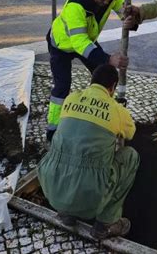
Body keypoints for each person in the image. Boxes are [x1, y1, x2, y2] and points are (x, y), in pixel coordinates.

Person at [38, 64, 139, 239]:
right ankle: (106, 224)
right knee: (130, 156)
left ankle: (67, 213)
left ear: (91, 81)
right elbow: (130, 133)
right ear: (113, 87)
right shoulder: (116, 109)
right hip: (90, 198)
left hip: (51, 187)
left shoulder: (71, 98)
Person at [46, 0, 128, 141]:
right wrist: (108, 59)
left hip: (86, 41)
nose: (106, 3)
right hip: (62, 46)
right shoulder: (76, 7)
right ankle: (53, 131)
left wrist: (131, 19)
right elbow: (80, 43)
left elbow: (123, 11)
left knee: (105, 77)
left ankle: (101, 117)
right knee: (62, 87)